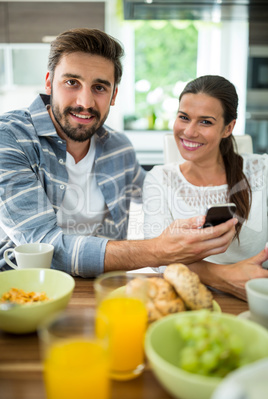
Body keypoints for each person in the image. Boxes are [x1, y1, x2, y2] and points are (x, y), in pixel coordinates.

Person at [0, 30, 236, 277]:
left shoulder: (118, 146)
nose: (85, 102)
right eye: (72, 83)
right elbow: (43, 247)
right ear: (49, 82)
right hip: (26, 288)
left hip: (106, 285)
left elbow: (160, 192)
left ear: (114, 95)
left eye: (99, 87)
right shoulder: (10, 138)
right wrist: (158, 249)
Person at [143, 75, 268, 300]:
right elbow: (157, 258)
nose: (189, 131)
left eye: (206, 122)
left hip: (258, 296)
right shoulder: (159, 179)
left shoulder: (263, 170)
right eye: (184, 117)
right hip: (189, 297)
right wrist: (226, 276)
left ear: (228, 128)